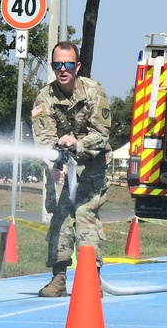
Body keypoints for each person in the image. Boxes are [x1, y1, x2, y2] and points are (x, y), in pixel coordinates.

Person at [31, 41, 111, 297]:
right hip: (61, 167)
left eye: (68, 64)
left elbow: (102, 135)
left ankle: (91, 278)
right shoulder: (44, 97)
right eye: (57, 64)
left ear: (77, 66)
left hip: (92, 165)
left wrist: (78, 143)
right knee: (61, 218)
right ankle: (59, 278)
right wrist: (53, 163)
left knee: (85, 215)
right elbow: (43, 138)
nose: (62, 70)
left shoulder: (95, 91)